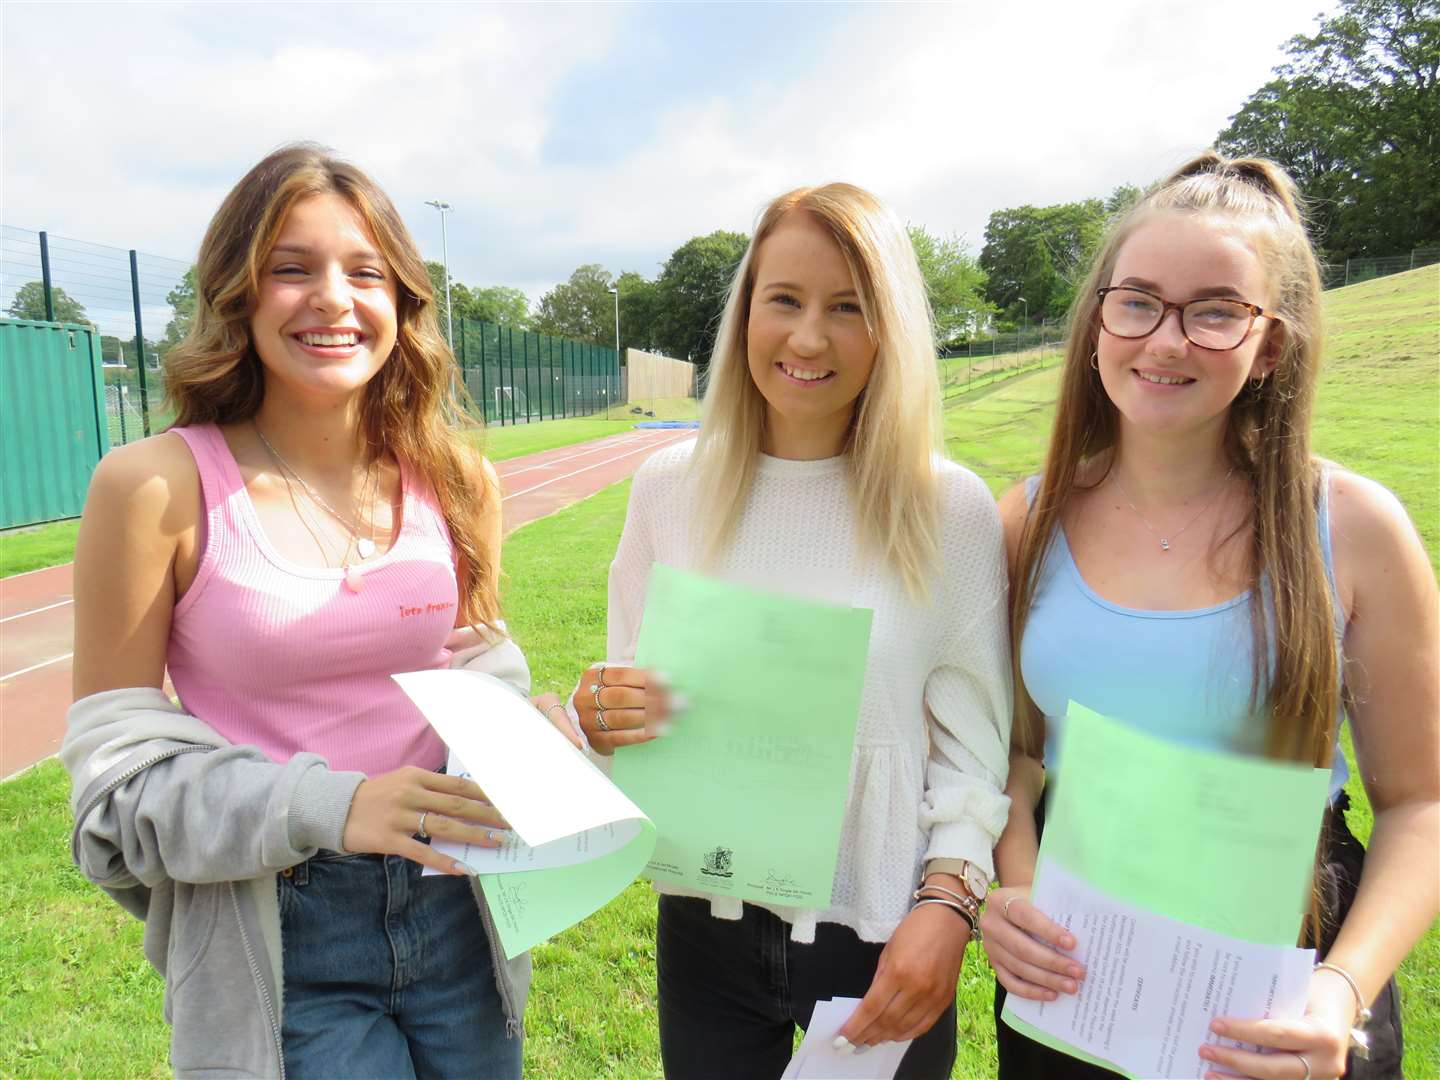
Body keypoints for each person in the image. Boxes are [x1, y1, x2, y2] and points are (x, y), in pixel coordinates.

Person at [61, 144, 571, 1079]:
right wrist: (334, 807)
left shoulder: (459, 480)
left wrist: (532, 735)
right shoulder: (152, 486)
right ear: (237, 295)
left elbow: (479, 667)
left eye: (365, 272)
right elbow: (116, 789)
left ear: (402, 301)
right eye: (291, 269)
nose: (334, 298)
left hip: (462, 904)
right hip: (280, 925)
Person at [978, 152, 1439, 1080]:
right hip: (1077, 980)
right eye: (1138, 299)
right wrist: (1015, 888)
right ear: (1099, 317)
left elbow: (1420, 803)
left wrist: (1339, 993)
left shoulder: (1353, 526)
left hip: (1289, 985)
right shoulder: (1024, 522)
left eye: (1216, 310)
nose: (1166, 340)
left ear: (1271, 343)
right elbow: (1013, 759)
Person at [568, 183, 1013, 1078]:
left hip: (882, 934)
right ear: (744, 317)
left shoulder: (949, 509)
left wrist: (948, 906)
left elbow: (976, 750)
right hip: (706, 930)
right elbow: (627, 705)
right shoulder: (668, 488)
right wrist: (603, 712)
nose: (809, 338)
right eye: (785, 301)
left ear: (889, 329)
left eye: (848, 307)